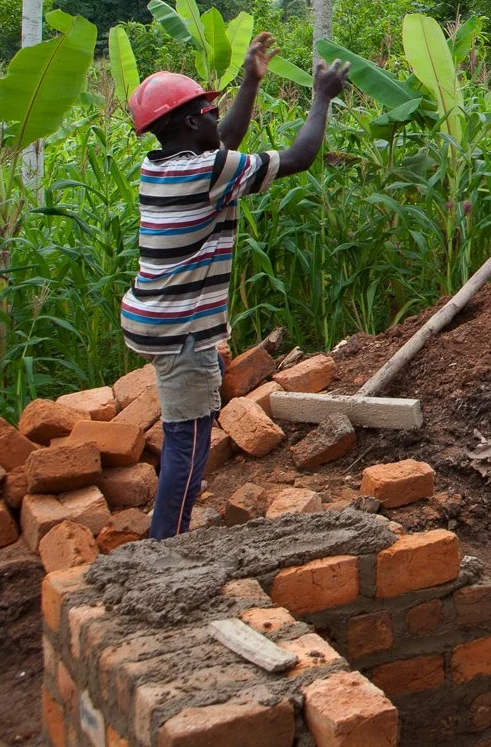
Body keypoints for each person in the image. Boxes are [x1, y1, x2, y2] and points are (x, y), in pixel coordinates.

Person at [122, 35, 348, 540]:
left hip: (152, 318)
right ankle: (166, 547)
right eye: (206, 110)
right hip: (180, 330)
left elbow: (222, 140)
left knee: (191, 421)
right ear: (187, 123)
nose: (214, 116)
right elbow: (300, 156)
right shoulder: (206, 172)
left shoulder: (162, 165)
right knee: (190, 438)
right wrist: (321, 98)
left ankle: (168, 533)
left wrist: (251, 78)